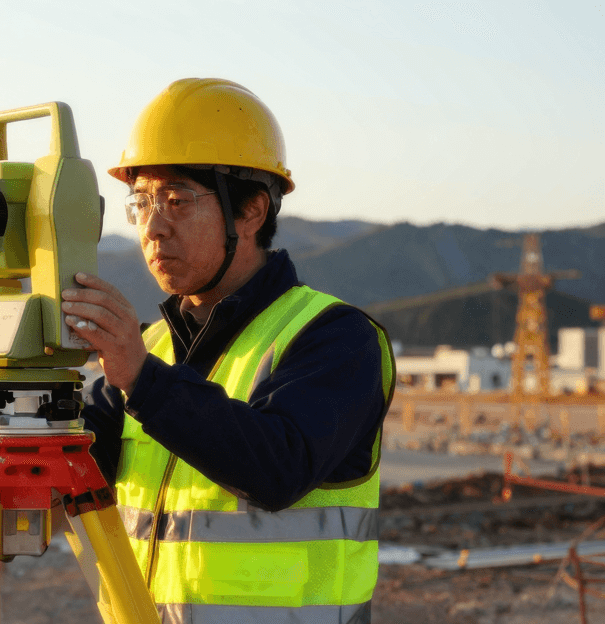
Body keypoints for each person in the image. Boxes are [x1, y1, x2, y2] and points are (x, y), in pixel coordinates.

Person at [60, 78, 395, 624]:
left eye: (177, 200)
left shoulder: (335, 337)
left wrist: (143, 381)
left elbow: (277, 468)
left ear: (252, 211)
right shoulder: (148, 348)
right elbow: (68, 470)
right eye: (141, 202)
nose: (154, 226)